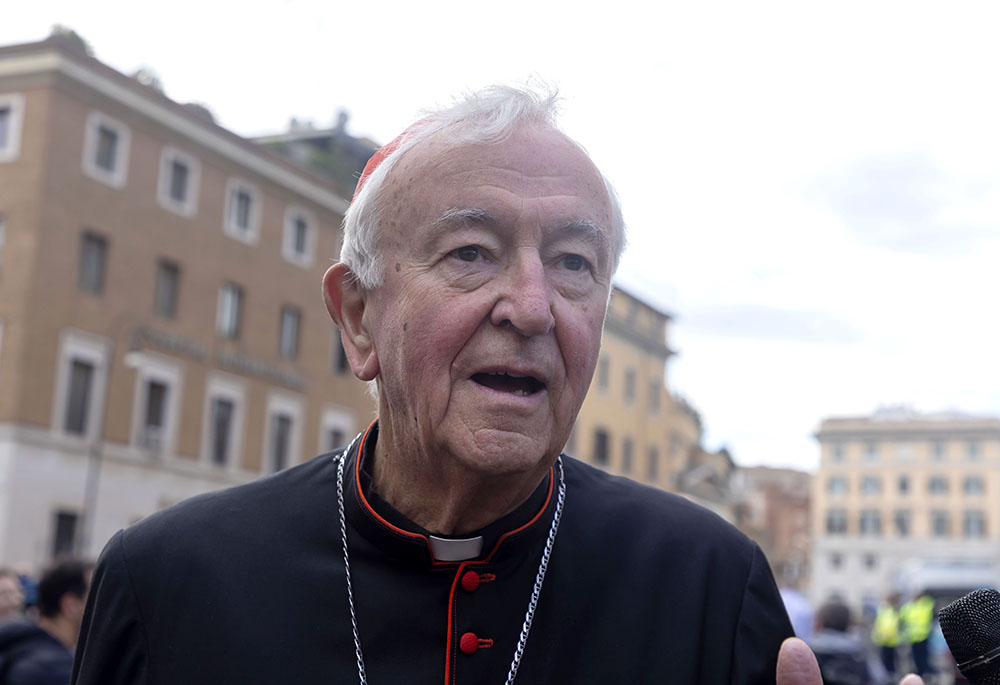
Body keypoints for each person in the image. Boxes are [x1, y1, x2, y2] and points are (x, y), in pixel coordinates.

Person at [70, 85, 923, 685]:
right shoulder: (167, 581)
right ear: (358, 318)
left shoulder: (708, 580)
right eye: (470, 252)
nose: (533, 306)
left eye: (575, 264)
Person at [0, 559, 91, 684]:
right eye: (97, 594)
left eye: (16, 592)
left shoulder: (21, 643)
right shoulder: (55, 671)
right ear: (72, 605)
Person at [807, 598, 885, 685]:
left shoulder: (807, 652)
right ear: (849, 624)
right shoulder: (862, 653)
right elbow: (880, 679)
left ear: (820, 623)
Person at [900, 592, 935, 678]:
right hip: (913, 637)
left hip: (923, 636)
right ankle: (921, 672)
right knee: (916, 658)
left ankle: (925, 672)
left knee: (924, 657)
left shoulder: (924, 605)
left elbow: (931, 603)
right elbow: (902, 618)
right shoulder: (909, 607)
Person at [872, 592, 903, 679]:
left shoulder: (894, 610)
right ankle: (887, 675)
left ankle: (891, 675)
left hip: (891, 640)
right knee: (885, 659)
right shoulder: (883, 610)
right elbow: (879, 623)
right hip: (884, 639)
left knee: (891, 659)